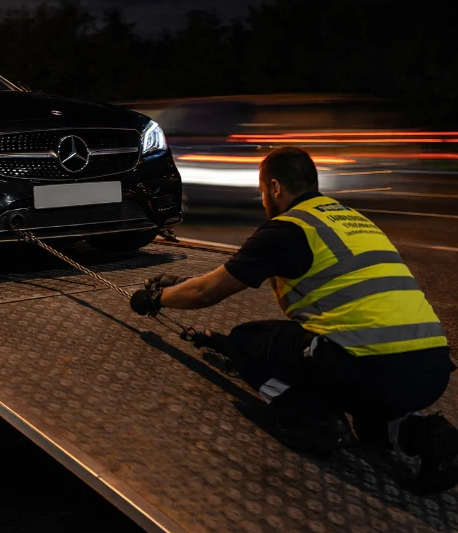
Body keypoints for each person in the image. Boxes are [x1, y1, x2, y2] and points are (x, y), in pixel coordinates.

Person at [130, 146, 458, 491]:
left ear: (274, 188)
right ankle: (433, 437)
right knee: (370, 420)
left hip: (368, 367)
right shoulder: (352, 220)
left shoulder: (287, 228)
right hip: (430, 371)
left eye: (261, 193)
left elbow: (207, 293)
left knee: (247, 340)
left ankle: (314, 421)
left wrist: (156, 298)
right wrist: (184, 284)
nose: (262, 202)